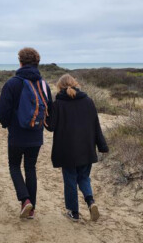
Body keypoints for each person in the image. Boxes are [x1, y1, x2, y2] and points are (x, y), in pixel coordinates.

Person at [0, 47, 52, 219]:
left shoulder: (12, 83)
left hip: (16, 134)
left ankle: (25, 200)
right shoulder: (44, 84)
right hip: (36, 134)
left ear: (20, 62)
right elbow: (50, 108)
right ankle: (31, 210)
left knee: (14, 166)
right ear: (37, 62)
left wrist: (7, 124)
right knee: (30, 168)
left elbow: (2, 111)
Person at [46, 74, 109, 222]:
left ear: (59, 87)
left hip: (66, 149)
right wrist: (102, 146)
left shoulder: (58, 104)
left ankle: (73, 212)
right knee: (84, 177)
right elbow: (96, 126)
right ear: (75, 84)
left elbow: (51, 127)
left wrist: (46, 114)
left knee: (70, 180)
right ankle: (90, 201)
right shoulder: (88, 101)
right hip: (86, 147)